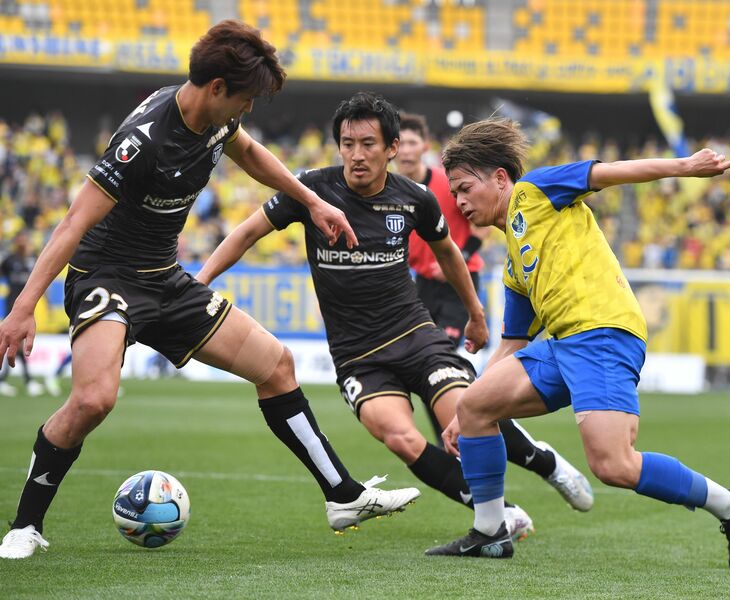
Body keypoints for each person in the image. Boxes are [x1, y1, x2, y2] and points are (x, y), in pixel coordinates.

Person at [0, 21, 419, 561]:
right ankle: (25, 525)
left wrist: (314, 202)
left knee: (277, 365)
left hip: (165, 278)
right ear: (217, 87)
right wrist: (24, 307)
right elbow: (73, 223)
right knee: (93, 400)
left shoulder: (217, 119)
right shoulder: (143, 140)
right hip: (108, 276)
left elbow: (251, 153)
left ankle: (342, 495)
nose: (248, 110)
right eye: (245, 99)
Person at [197, 92, 594, 543]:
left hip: (417, 335)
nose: (356, 154)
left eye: (368, 144)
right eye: (347, 143)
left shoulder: (414, 199)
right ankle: (496, 514)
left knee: (467, 414)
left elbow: (449, 252)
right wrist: (201, 280)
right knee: (402, 440)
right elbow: (247, 232)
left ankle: (544, 462)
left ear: (391, 148)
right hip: (357, 355)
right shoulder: (310, 191)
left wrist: (476, 313)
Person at [425, 118, 730, 568]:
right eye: (455, 193)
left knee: (613, 466)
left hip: (603, 334)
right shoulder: (514, 264)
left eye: (465, 188)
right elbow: (513, 344)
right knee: (476, 406)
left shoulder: (534, 191)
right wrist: (464, 411)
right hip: (563, 346)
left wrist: (684, 166)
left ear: (500, 179)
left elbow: (607, 173)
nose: (459, 201)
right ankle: (490, 532)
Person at [396, 112, 487, 445]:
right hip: (423, 288)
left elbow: (481, 227)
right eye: (401, 143)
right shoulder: (392, 192)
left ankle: (479, 430)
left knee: (440, 360)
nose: (406, 150)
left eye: (412, 142)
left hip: (459, 285)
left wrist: (455, 259)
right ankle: (452, 443)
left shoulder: (447, 184)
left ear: (425, 146)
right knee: (425, 369)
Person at [0, 231, 45, 397]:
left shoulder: (32, 259)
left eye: (25, 240)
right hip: (13, 307)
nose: (23, 243)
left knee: (16, 344)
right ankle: (27, 381)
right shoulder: (9, 260)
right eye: (20, 240)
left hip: (28, 307)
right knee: (16, 343)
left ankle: (9, 380)